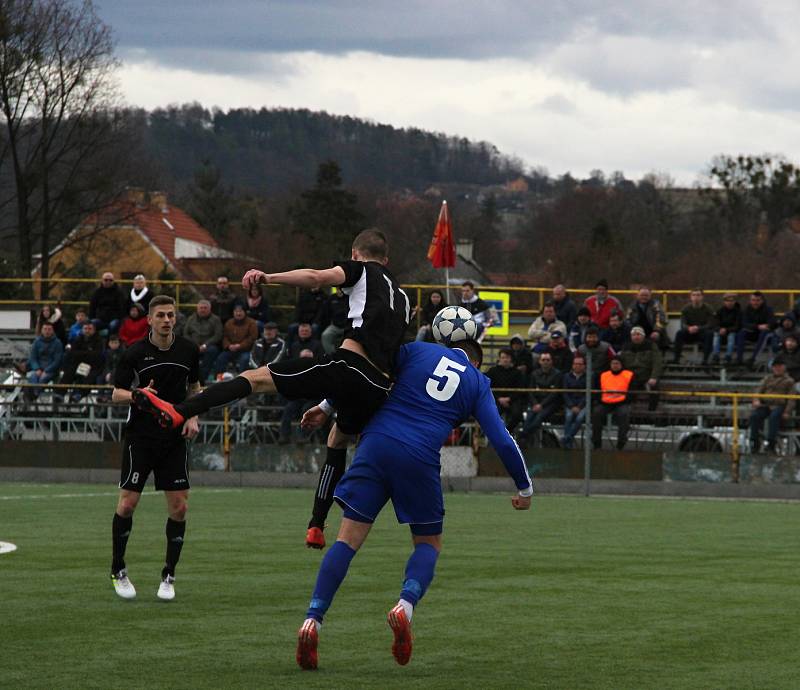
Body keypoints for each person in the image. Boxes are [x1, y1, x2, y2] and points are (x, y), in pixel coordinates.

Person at [131, 229, 411, 550]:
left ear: (355, 254)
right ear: (386, 261)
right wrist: (327, 405)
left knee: (255, 378)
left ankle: (178, 410)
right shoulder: (403, 299)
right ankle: (316, 525)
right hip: (378, 387)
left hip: (349, 367)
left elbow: (316, 277)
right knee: (338, 437)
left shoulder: (359, 270)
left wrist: (268, 277)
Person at [294, 338, 532, 670]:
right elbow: (502, 440)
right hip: (419, 458)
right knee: (429, 543)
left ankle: (313, 620)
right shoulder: (477, 381)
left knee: (346, 541)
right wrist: (524, 487)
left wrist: (326, 405)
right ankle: (404, 605)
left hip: (376, 444)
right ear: (476, 360)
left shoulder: (417, 349)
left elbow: (367, 370)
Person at [109, 295, 200, 601]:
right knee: (127, 505)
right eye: (160, 315)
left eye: (171, 315)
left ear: (176, 319)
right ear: (149, 320)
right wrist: (136, 395)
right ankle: (118, 569)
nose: (166, 320)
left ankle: (169, 575)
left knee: (180, 508)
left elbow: (195, 388)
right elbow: (115, 394)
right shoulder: (134, 353)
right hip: (141, 438)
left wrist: (193, 416)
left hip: (173, 438)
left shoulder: (189, 350)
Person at [748, 358, 795, 454]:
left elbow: (791, 398)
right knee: (754, 416)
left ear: (784, 367)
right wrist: (756, 400)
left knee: (774, 417)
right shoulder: (767, 379)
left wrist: (787, 411)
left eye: (780, 366)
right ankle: (754, 441)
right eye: (775, 366)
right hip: (765, 404)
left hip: (779, 404)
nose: (777, 368)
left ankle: (771, 443)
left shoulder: (789, 381)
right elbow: (758, 390)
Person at [518, 351, 562, 444]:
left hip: (550, 403)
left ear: (551, 361)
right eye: (543, 360)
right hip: (535, 402)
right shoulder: (534, 374)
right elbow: (531, 391)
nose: (545, 362)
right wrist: (535, 404)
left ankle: (522, 435)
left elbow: (554, 393)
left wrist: (541, 405)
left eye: (548, 360)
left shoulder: (557, 374)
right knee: (529, 418)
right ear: (539, 362)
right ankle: (524, 439)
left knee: (539, 418)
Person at [592, 355, 633, 450]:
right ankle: (596, 442)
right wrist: (600, 400)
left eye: (617, 363)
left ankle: (621, 442)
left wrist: (625, 400)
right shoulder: (603, 375)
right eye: (613, 363)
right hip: (605, 402)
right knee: (596, 413)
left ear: (621, 365)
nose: (615, 365)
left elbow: (632, 392)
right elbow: (598, 391)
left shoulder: (629, 375)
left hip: (622, 402)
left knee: (623, 414)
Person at [620, 326, 663, 411]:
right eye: (634, 335)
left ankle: (651, 412)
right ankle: (627, 411)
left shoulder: (651, 345)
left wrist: (653, 377)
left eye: (638, 334)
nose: (636, 337)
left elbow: (657, 362)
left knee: (655, 389)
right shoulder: (626, 346)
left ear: (643, 336)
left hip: (646, 376)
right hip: (630, 376)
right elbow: (622, 363)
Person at [59, 321, 105, 398]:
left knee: (89, 376)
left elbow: (96, 355)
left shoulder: (98, 340)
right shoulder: (78, 339)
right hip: (78, 364)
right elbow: (72, 353)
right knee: (69, 372)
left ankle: (78, 394)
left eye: (90, 329)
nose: (87, 331)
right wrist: (87, 353)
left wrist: (82, 354)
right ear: (82, 330)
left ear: (94, 330)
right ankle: (59, 394)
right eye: (85, 328)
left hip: (93, 366)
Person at [485, 348, 526, 433]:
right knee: (491, 414)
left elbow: (520, 389)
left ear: (511, 359)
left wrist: (509, 399)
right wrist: (499, 398)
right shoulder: (493, 371)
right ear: (499, 359)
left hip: (513, 400)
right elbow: (488, 387)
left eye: (507, 357)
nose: (505, 359)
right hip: (496, 399)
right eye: (503, 357)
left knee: (517, 414)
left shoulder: (517, 373)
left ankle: (506, 432)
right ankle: (495, 435)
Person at [183, 300, 224, 382]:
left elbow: (218, 335)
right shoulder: (191, 318)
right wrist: (195, 345)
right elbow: (185, 333)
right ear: (197, 309)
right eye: (201, 308)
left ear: (210, 309)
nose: (203, 310)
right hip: (193, 345)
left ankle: (202, 379)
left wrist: (205, 345)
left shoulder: (216, 319)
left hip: (209, 346)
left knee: (212, 351)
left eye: (205, 308)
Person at [213, 303, 258, 376]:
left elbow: (252, 338)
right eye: (236, 311)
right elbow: (225, 336)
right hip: (231, 349)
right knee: (221, 358)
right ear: (233, 313)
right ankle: (219, 379)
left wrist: (240, 346)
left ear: (245, 312)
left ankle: (242, 380)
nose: (238, 313)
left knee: (244, 359)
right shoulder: (229, 322)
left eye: (240, 311)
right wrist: (228, 346)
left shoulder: (251, 323)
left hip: (246, 350)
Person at [673, 288, 715, 364]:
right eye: (694, 295)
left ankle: (705, 360)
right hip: (690, 333)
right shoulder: (685, 309)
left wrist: (698, 328)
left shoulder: (709, 309)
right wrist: (689, 328)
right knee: (679, 333)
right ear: (690, 297)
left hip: (702, 333)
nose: (696, 297)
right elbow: (683, 324)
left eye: (698, 295)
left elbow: (710, 324)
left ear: (702, 297)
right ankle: (676, 359)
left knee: (710, 334)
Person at [735, 291, 774, 367]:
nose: (755, 302)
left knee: (765, 333)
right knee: (741, 333)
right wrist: (757, 326)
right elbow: (744, 323)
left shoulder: (768, 310)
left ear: (762, 301)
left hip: (764, 335)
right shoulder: (746, 310)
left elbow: (772, 323)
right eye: (753, 300)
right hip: (753, 332)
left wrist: (766, 326)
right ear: (750, 301)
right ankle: (739, 359)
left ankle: (753, 358)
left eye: (757, 300)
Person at [25, 322, 63, 398]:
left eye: (49, 329)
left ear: (52, 331)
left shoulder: (58, 343)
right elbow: (33, 358)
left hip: (51, 369)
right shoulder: (37, 342)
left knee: (43, 379)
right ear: (42, 330)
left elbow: (57, 360)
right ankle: (34, 394)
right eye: (45, 329)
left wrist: (47, 370)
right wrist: (37, 368)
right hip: (39, 368)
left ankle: (35, 394)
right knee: (32, 377)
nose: (47, 331)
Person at [561, 356, 587, 449]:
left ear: (584, 366)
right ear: (572, 365)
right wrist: (571, 406)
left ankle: (567, 438)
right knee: (568, 417)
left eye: (580, 364)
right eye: (576, 364)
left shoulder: (588, 377)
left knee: (579, 418)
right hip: (570, 403)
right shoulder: (566, 376)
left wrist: (579, 406)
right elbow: (565, 393)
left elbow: (587, 394)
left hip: (583, 404)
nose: (577, 366)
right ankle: (567, 444)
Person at [316, 288, 349, 354]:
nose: (339, 291)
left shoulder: (349, 297)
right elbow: (326, 312)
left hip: (347, 326)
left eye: (341, 289)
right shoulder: (331, 298)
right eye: (338, 289)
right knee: (325, 335)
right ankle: (333, 355)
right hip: (334, 326)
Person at [711, 293, 741, 365]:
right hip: (721, 332)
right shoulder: (720, 311)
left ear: (734, 301)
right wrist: (720, 329)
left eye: (731, 301)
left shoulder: (738, 312)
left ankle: (728, 357)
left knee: (731, 336)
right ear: (724, 302)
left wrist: (727, 330)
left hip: (732, 332)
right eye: (727, 301)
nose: (729, 302)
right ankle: (715, 356)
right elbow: (715, 324)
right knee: (716, 335)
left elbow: (738, 326)